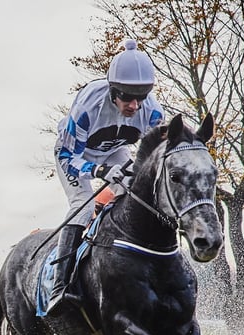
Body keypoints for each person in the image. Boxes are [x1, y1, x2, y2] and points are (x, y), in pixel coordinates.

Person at [47, 38, 164, 312]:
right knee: (83, 205)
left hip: (114, 151)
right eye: (127, 97)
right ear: (113, 91)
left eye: (141, 97)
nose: (134, 105)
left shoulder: (153, 113)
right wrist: (98, 171)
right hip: (74, 154)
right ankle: (60, 286)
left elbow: (154, 158)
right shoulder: (88, 107)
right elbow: (69, 157)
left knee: (139, 195)